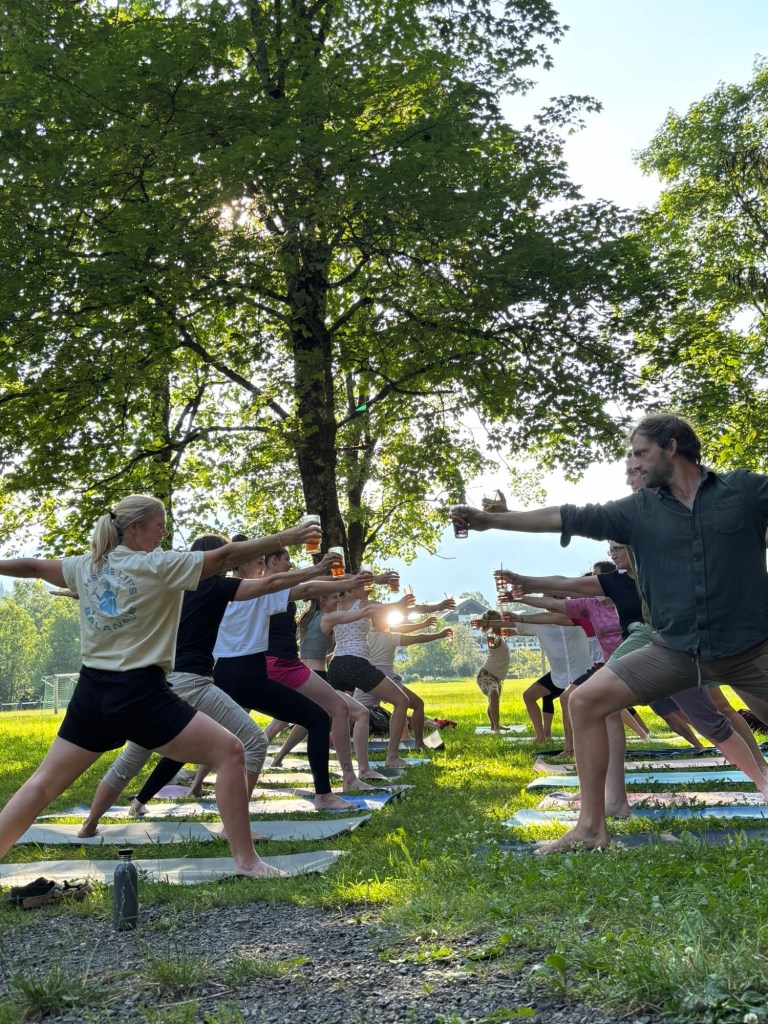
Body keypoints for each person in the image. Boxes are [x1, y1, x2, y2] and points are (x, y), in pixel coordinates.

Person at [452, 413, 768, 851]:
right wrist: (494, 520)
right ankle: (590, 828)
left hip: (751, 648)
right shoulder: (637, 511)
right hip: (675, 649)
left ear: (672, 447)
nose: (633, 463)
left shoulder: (744, 490)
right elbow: (567, 516)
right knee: (583, 701)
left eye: (640, 453)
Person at [0, 495, 317, 876]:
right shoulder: (159, 565)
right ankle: (247, 861)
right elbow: (225, 556)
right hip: (140, 692)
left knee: (42, 786)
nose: (164, 533)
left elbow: (34, 566)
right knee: (232, 751)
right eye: (158, 525)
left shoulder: (86, 565)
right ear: (134, 528)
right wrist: (286, 537)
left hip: (92, 693)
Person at [76, 529, 334, 835]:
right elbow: (272, 584)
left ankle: (89, 824)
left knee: (130, 760)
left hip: (154, 684)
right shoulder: (215, 586)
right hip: (192, 683)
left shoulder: (169, 585)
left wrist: (80, 589)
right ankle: (234, 829)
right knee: (253, 742)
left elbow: (122, 593)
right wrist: (317, 569)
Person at [209, 545, 364, 809]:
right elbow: (305, 587)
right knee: (312, 720)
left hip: (224, 672)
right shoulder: (257, 591)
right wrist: (340, 578)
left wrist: (346, 580)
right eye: (258, 561)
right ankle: (323, 795)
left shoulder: (213, 593)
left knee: (216, 734)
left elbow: (306, 584)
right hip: (252, 673)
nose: (261, 566)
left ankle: (148, 798)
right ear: (243, 564)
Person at [323, 574, 415, 768]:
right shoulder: (364, 604)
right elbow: (385, 609)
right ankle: (392, 757)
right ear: (354, 586)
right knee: (401, 701)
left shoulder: (336, 605)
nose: (369, 588)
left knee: (342, 713)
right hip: (355, 664)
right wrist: (401, 604)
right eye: (365, 585)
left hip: (336, 665)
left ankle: (330, 752)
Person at [475, 611, 510, 732]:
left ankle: (494, 725)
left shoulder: (501, 635)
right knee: (493, 694)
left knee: (493, 699)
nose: (499, 622)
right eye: (495, 620)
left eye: (499, 619)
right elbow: (491, 642)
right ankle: (496, 727)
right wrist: (490, 631)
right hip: (486, 674)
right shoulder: (492, 635)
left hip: (496, 677)